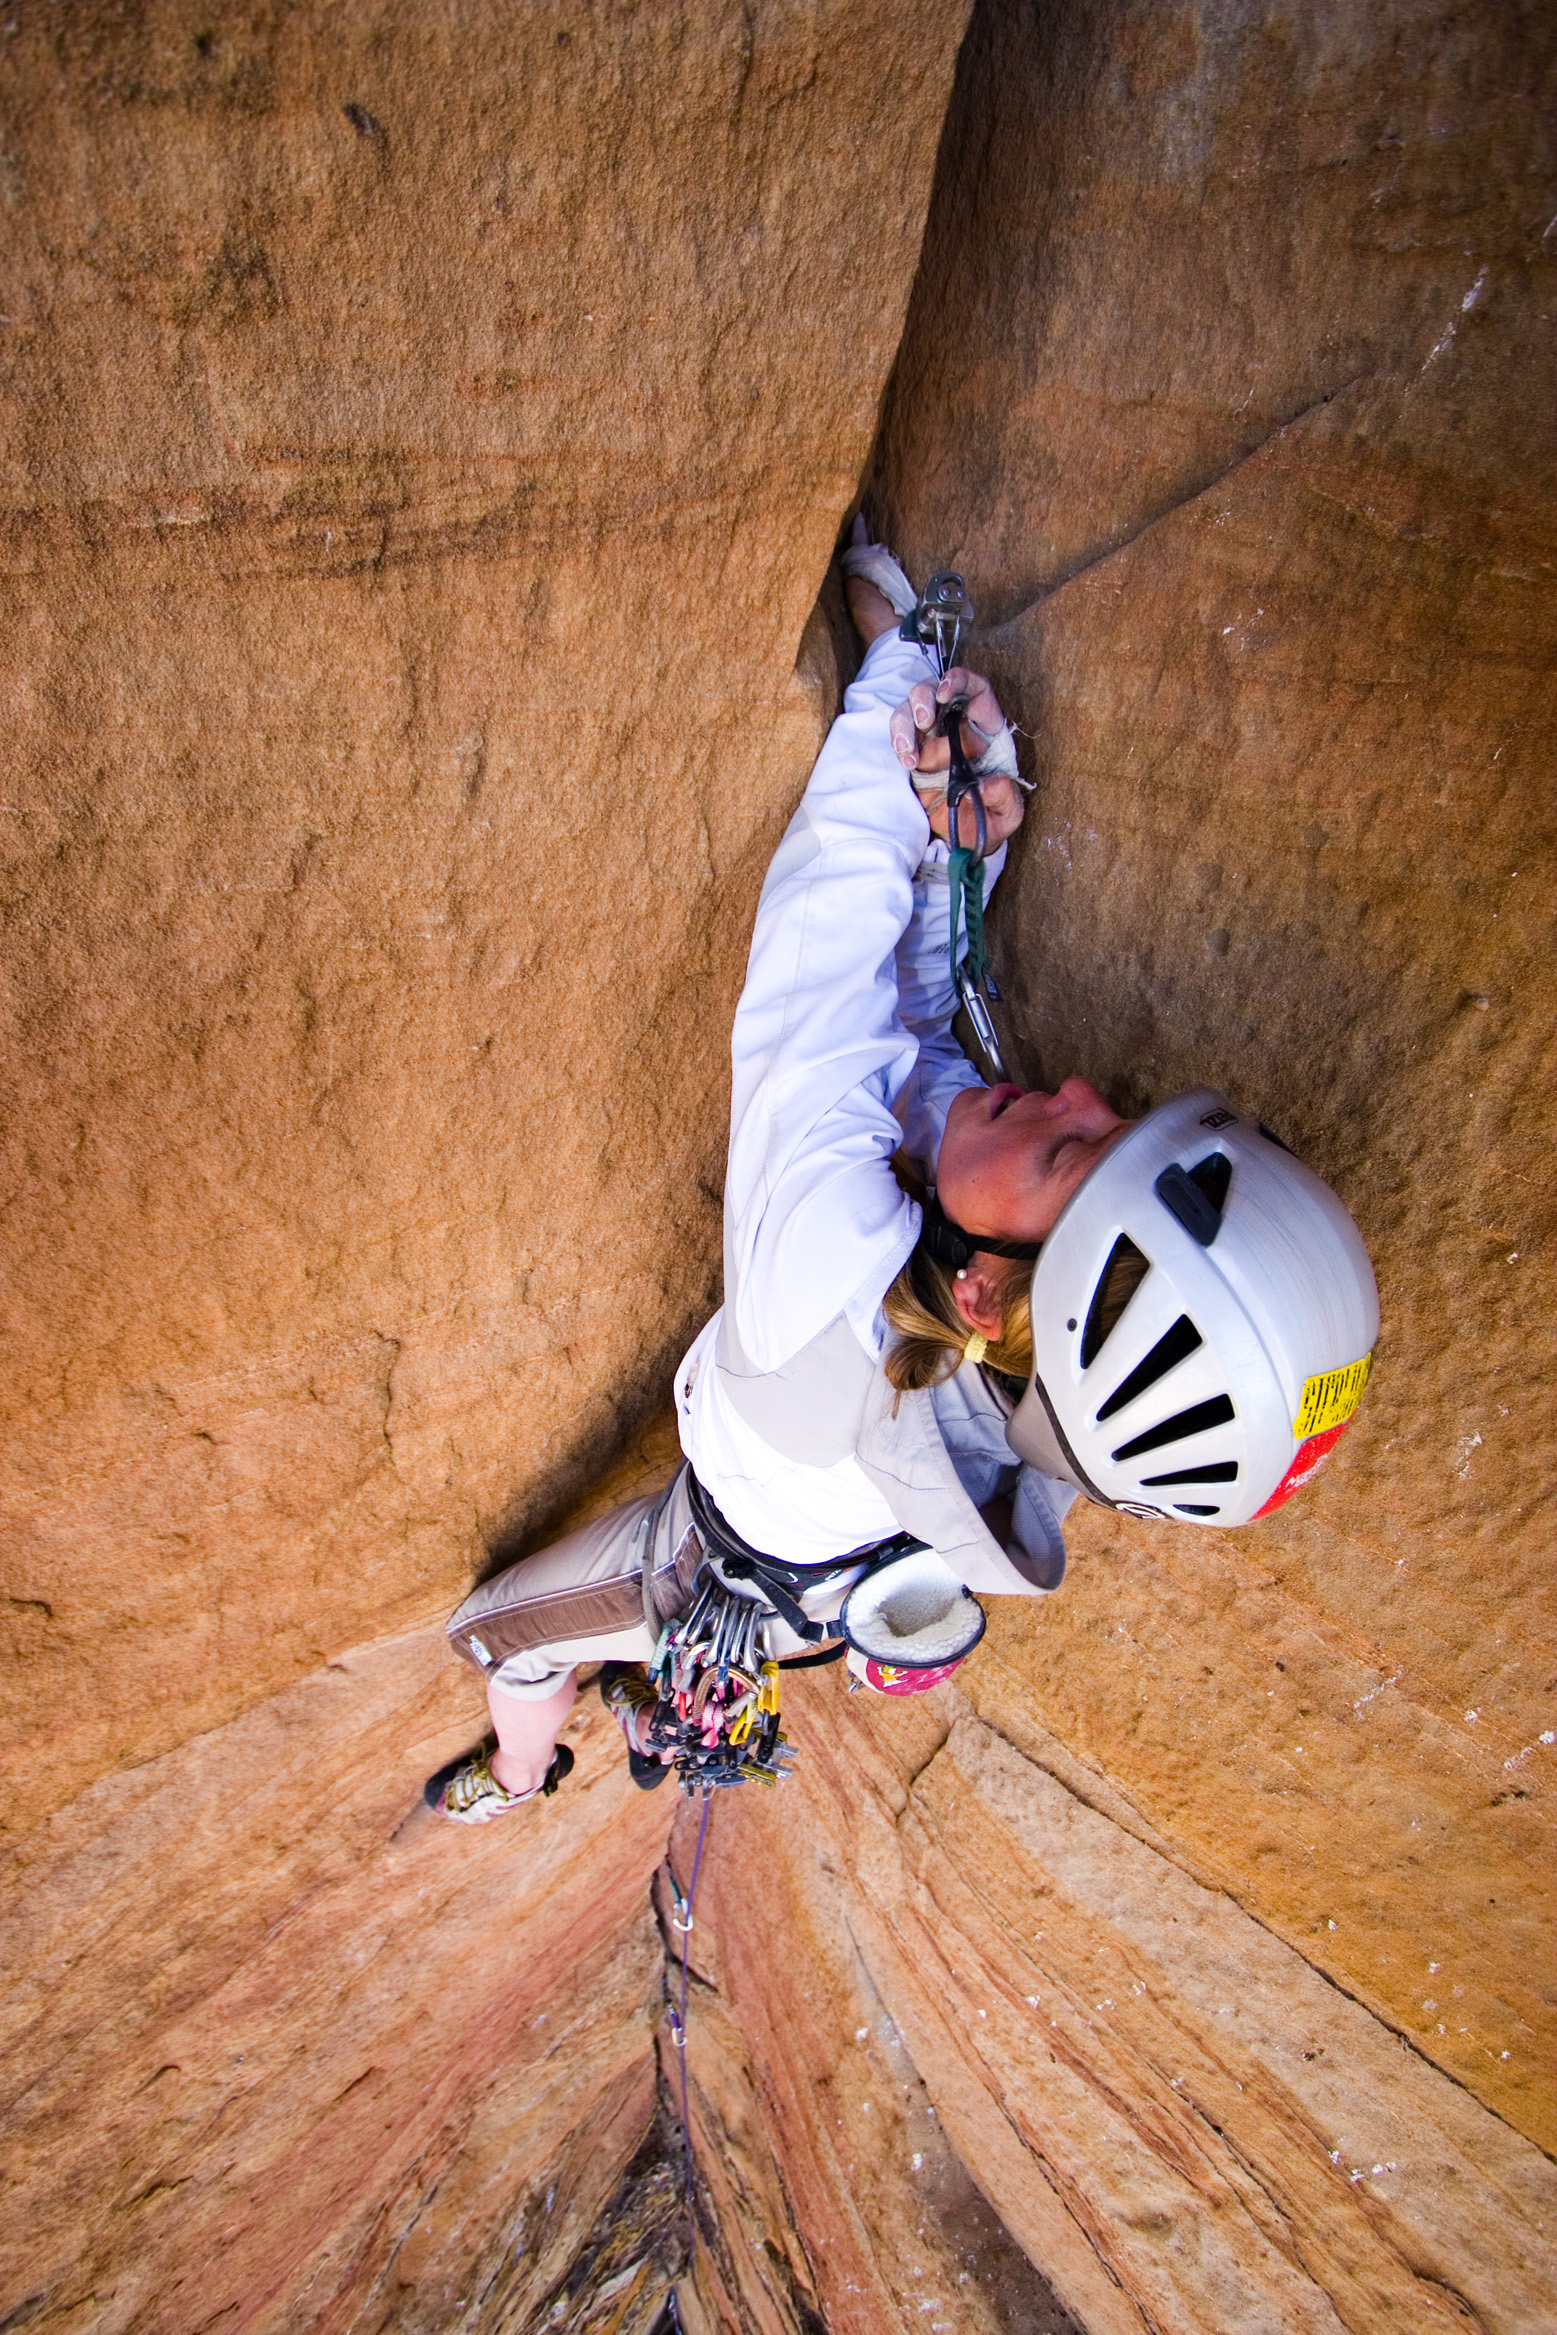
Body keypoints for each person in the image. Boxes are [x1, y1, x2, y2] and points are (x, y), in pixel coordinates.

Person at [427, 529, 1378, 1820]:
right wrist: (956, 848)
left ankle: (520, 1769)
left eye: (1069, 1145)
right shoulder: (1050, 1361)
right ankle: (630, 1712)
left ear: (985, 1300)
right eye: (1104, 1121)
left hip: (708, 1563)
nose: (1082, 1089)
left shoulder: (830, 1268)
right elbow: (923, 1053)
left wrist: (897, 687)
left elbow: (819, 972)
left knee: (496, 1634)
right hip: (838, 1586)